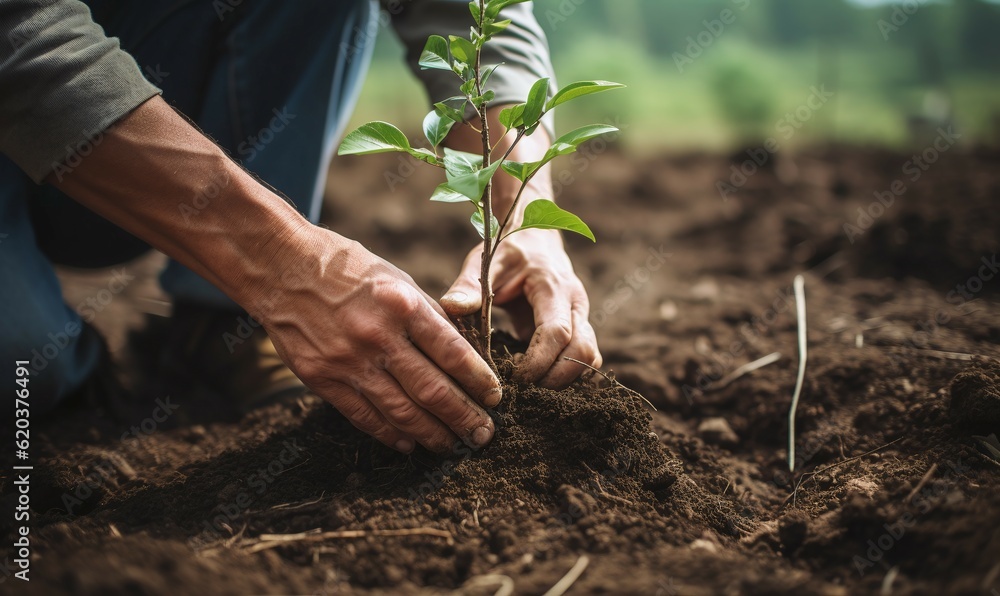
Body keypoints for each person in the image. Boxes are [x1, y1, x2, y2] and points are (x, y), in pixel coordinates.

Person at [0, 0, 601, 454]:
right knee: (25, 378)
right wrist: (281, 262)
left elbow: (470, 14)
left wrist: (523, 220)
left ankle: (221, 320)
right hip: (34, 90)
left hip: (137, 110)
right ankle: (78, 357)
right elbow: (20, 35)